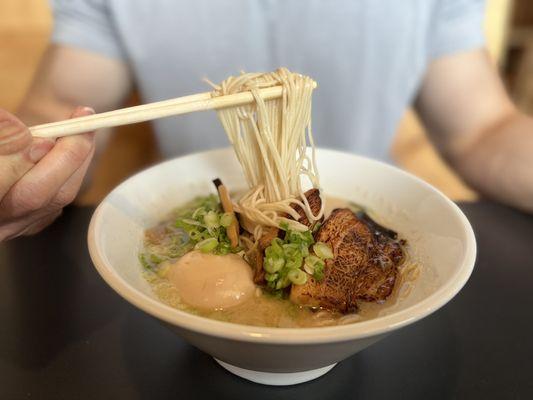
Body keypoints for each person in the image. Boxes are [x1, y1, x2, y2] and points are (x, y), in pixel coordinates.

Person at [1, 0, 532, 242]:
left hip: (365, 218)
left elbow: (481, 128)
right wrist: (21, 163)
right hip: (199, 214)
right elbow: (60, 110)